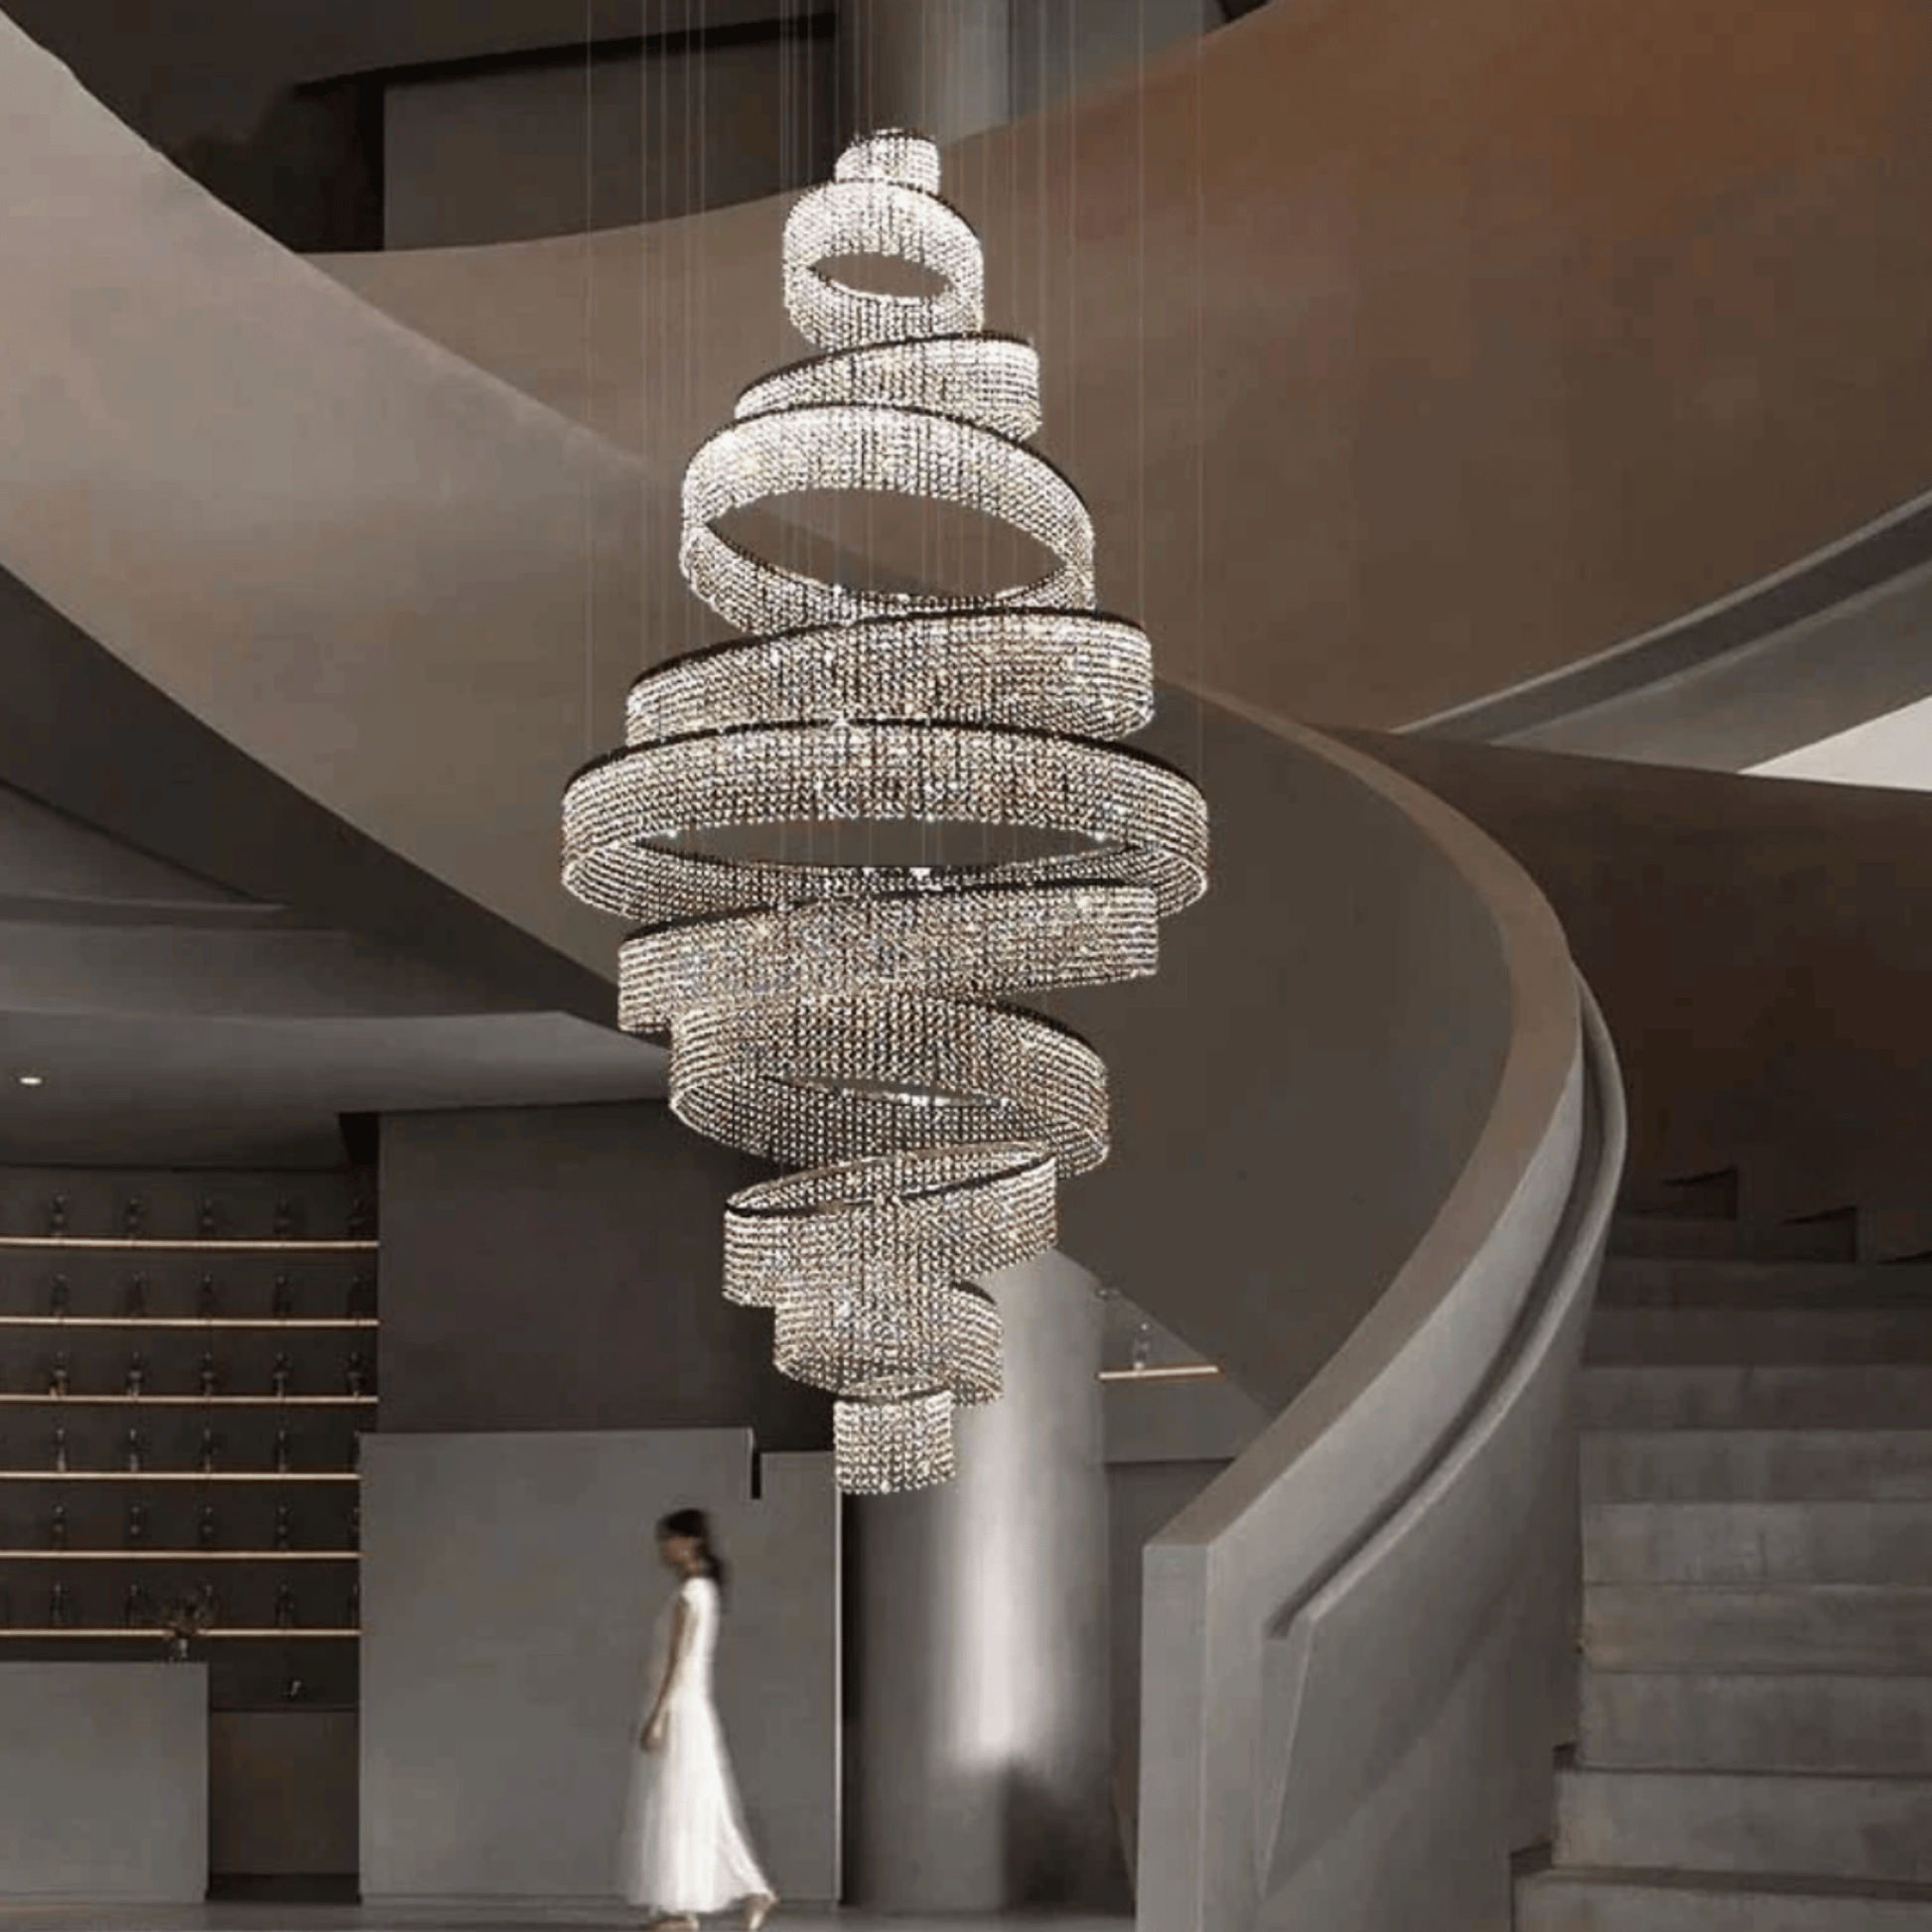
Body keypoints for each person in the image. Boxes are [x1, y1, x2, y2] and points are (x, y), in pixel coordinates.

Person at [618, 1507, 777, 1931]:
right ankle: (714, 1901)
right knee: (698, 1803)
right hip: (691, 1708)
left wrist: (657, 1715)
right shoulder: (703, 1591)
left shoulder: (691, 1594)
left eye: (667, 1540)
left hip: (681, 1710)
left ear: (689, 1542)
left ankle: (690, 1908)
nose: (662, 1549)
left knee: (681, 1803)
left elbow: (679, 1662)